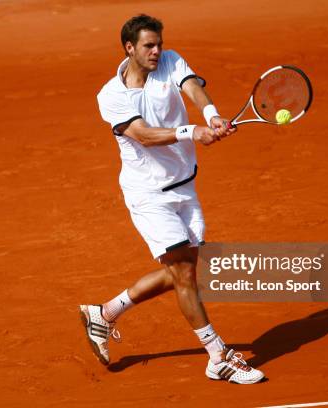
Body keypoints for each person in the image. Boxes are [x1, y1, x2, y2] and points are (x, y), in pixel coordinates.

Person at [80, 14, 264, 384]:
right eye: (149, 46)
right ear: (129, 48)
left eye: (159, 44)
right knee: (183, 273)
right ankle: (218, 356)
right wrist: (191, 131)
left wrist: (210, 115)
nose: (157, 51)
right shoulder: (111, 96)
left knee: (185, 269)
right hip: (148, 195)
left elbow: (192, 86)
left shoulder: (170, 61)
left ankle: (105, 312)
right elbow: (144, 135)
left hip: (184, 185)